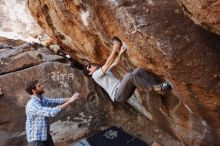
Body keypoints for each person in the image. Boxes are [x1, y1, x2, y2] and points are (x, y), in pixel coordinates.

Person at [83, 36, 171, 102]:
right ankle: (155, 88)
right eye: (89, 67)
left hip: (122, 89)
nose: (91, 65)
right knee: (129, 76)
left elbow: (115, 63)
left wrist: (120, 53)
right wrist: (115, 48)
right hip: (118, 94)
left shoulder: (101, 73)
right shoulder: (95, 75)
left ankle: (159, 89)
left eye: (90, 64)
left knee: (138, 71)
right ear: (90, 73)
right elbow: (108, 63)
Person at [25, 80, 81, 146]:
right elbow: (51, 112)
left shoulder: (41, 99)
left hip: (45, 136)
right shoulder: (32, 105)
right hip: (36, 140)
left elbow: (55, 101)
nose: (42, 86)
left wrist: (72, 98)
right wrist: (69, 102)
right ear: (33, 90)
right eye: (39, 86)